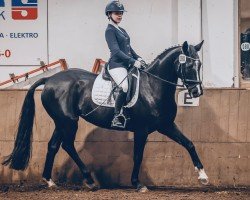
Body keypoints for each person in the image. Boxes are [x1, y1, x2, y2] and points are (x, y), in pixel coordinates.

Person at [105, 0, 146, 128]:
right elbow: (116, 51)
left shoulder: (122, 29)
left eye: (121, 13)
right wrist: (133, 62)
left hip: (127, 64)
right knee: (124, 87)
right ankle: (116, 116)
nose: (120, 15)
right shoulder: (109, 30)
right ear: (109, 14)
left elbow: (128, 48)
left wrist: (138, 57)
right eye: (117, 13)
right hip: (117, 65)